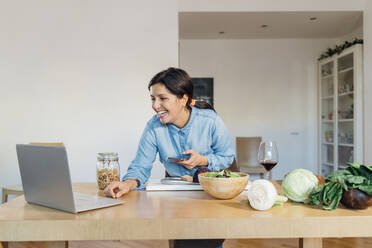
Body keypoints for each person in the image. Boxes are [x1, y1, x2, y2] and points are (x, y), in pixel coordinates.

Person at [104, 67, 235, 248]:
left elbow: (227, 156)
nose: (155, 105)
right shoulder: (153, 127)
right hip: (175, 194)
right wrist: (127, 183)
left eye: (162, 98)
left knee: (208, 240)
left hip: (210, 193)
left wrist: (203, 160)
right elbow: (141, 166)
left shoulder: (210, 121)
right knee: (181, 241)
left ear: (183, 99)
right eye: (153, 98)